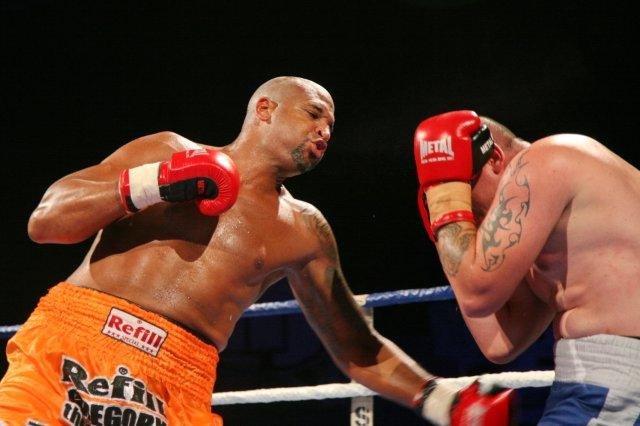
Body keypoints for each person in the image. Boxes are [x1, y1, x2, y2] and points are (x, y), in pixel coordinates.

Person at [0, 78, 513, 425]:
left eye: (331, 126)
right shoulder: (167, 151)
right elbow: (46, 222)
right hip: (72, 342)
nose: (324, 131)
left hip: (178, 381)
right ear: (265, 110)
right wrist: (155, 183)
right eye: (313, 114)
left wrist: (440, 399)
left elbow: (356, 347)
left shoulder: (305, 230)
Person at [413, 109, 640, 425]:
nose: (468, 213)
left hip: (618, 382)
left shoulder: (544, 160)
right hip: (603, 383)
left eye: (464, 194)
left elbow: (477, 294)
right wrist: (449, 237)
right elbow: (499, 342)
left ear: (494, 159)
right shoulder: (553, 236)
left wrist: (446, 210)